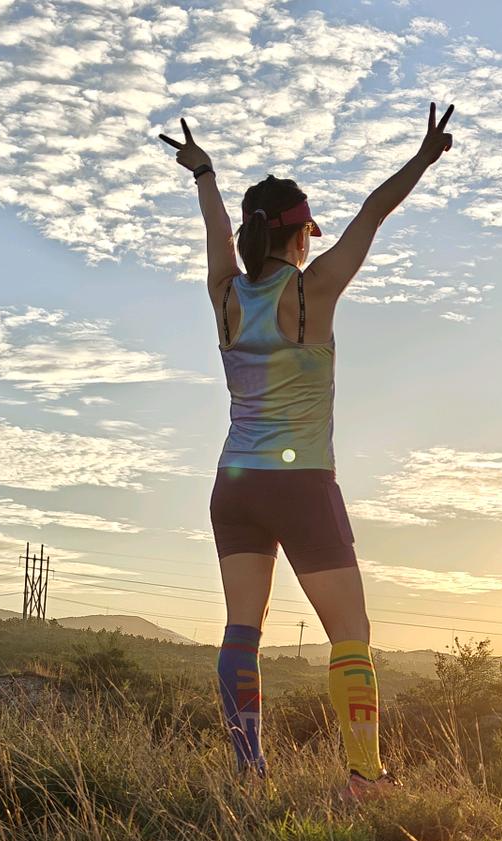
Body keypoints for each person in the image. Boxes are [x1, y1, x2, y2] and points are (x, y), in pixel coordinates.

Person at [159, 103, 455, 802]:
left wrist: (203, 172)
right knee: (350, 634)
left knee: (242, 629)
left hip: (234, 486)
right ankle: (364, 778)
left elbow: (214, 231)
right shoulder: (312, 292)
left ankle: (248, 771)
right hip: (302, 486)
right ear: (298, 237)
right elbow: (374, 213)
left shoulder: (224, 293)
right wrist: (423, 158)